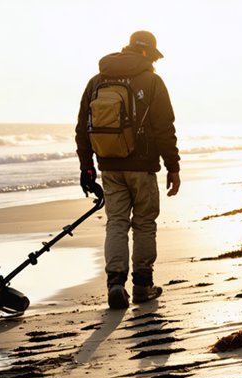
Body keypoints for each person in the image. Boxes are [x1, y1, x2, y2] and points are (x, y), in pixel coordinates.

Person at [75, 30, 181, 310]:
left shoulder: (97, 81)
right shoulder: (152, 81)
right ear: (148, 53)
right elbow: (163, 128)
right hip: (143, 167)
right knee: (144, 223)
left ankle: (116, 284)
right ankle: (143, 285)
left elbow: (82, 129)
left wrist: (87, 168)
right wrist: (173, 166)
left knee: (117, 223)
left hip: (109, 166)